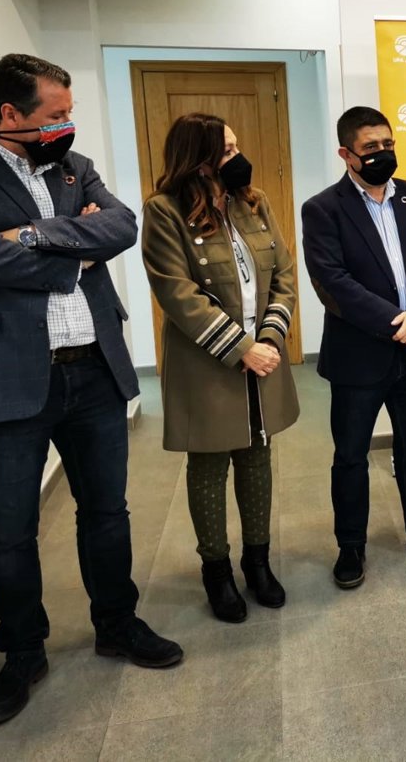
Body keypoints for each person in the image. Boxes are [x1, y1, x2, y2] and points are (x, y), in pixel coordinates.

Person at [0, 54, 182, 726]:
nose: (67, 125)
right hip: (4, 376)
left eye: (69, 113)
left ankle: (117, 623)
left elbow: (121, 226)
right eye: (55, 115)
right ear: (10, 114)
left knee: (107, 511)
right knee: (10, 529)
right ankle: (22, 651)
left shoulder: (74, 167)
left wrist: (34, 236)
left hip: (93, 369)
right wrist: (76, 252)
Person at [141, 113, 299, 621]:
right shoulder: (164, 210)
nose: (237, 157)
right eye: (226, 151)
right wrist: (241, 348)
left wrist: (268, 338)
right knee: (209, 465)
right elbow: (177, 294)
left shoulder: (254, 202)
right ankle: (216, 569)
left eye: (236, 146)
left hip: (262, 355)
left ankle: (258, 560)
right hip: (207, 360)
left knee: (257, 456)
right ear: (199, 159)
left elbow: (284, 273)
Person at [302, 106, 406, 587]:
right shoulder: (323, 209)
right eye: (370, 148)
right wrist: (399, 322)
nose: (382, 154)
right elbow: (332, 282)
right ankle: (351, 545)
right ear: (346, 154)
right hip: (359, 355)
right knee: (351, 455)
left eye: (388, 144)